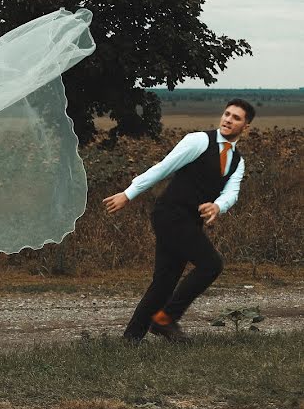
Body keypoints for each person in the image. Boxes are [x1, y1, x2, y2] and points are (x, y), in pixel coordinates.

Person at [103, 99, 254, 344]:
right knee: (211, 264)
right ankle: (165, 320)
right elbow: (163, 168)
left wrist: (218, 205)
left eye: (236, 118)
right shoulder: (199, 141)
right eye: (227, 114)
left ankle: (130, 339)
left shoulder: (237, 161)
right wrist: (128, 193)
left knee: (164, 282)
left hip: (190, 221)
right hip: (170, 214)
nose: (228, 119)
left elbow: (231, 192)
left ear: (245, 126)